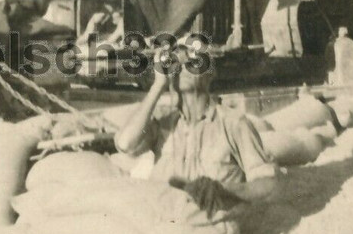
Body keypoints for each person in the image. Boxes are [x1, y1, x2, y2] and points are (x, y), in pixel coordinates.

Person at [113, 42, 279, 216]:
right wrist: (158, 85)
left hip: (209, 224)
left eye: (194, 60)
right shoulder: (164, 125)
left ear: (211, 73)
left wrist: (225, 192)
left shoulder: (233, 123)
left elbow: (267, 183)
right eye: (177, 62)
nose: (184, 67)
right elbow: (125, 144)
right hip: (165, 223)